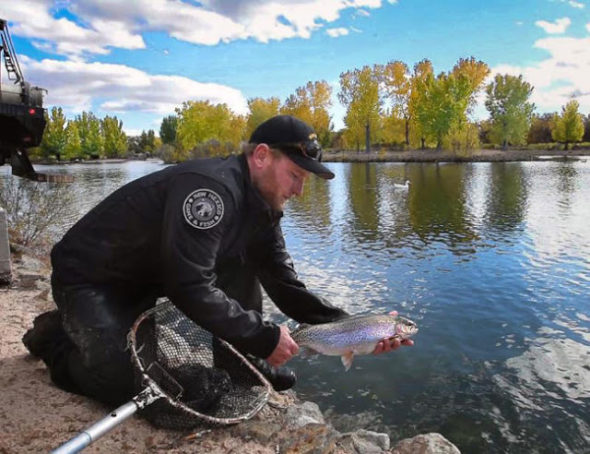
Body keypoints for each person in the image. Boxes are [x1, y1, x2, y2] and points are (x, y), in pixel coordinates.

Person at [23, 115, 412, 408]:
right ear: (261, 156)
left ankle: (245, 360)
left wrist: (351, 327)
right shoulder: (211, 191)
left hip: (147, 280)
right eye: (295, 175)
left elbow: (283, 283)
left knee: (245, 262)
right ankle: (56, 338)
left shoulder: (263, 206)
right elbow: (188, 286)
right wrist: (264, 334)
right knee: (124, 384)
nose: (299, 189)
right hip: (93, 279)